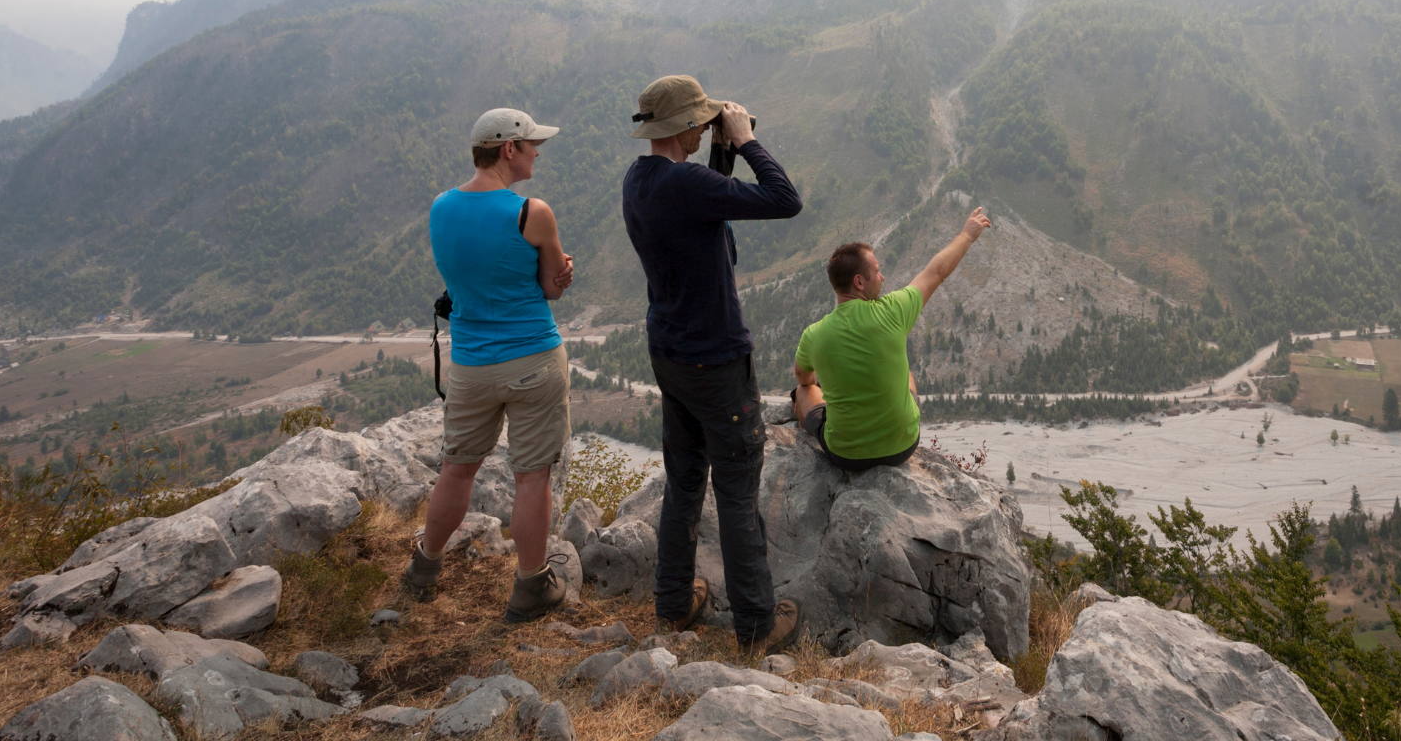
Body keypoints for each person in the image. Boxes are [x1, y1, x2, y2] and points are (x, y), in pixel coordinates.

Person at [621, 74, 803, 653]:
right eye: (700, 121)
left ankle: (673, 603)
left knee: (684, 479)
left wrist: (719, 155)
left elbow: (704, 207)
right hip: (716, 361)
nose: (707, 127)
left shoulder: (642, 180)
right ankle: (755, 624)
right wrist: (746, 141)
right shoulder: (687, 184)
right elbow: (785, 200)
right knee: (737, 488)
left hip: (670, 352)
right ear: (685, 127)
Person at [406, 108, 577, 623]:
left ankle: (423, 568)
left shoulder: (441, 207)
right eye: (531, 144)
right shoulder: (532, 213)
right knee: (531, 477)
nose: (537, 152)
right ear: (509, 149)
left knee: (457, 469)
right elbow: (551, 287)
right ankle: (531, 587)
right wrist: (563, 276)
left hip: (471, 363)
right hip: (532, 358)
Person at [792, 207, 992, 472]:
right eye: (877, 271)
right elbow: (937, 272)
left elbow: (803, 378)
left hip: (846, 455)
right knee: (906, 374)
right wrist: (967, 235)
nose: (882, 277)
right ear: (859, 282)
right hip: (902, 448)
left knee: (804, 392)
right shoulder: (894, 310)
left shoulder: (813, 335)